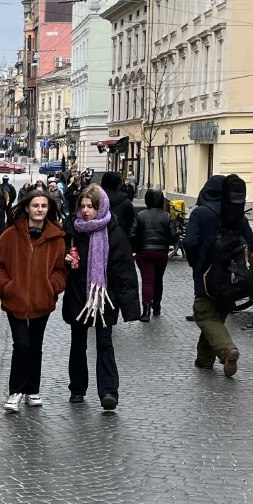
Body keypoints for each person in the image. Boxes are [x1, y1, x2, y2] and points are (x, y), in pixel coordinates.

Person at [0, 189, 69, 412]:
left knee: (35, 346)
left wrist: (52, 287)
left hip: (42, 301)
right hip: (15, 300)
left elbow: (61, 270)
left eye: (43, 206)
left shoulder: (56, 237)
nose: (39, 209)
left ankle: (33, 390)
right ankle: (16, 391)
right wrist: (6, 286)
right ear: (27, 208)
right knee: (21, 345)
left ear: (48, 209)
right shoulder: (11, 235)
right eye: (35, 205)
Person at [63, 185, 140, 409]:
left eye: (91, 206)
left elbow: (124, 270)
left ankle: (108, 391)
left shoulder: (114, 233)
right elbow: (56, 259)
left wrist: (130, 307)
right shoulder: (72, 230)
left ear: (101, 207)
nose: (86, 211)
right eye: (83, 206)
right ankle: (77, 388)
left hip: (104, 297)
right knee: (78, 343)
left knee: (105, 343)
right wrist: (65, 260)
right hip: (78, 294)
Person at [184, 174, 253, 377]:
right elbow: (251, 244)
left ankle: (227, 350)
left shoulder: (201, 213)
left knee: (204, 313)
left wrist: (196, 262)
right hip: (232, 276)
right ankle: (204, 360)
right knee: (216, 315)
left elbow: (189, 242)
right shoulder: (238, 216)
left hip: (206, 272)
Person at [130, 188, 178, 321]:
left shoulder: (140, 215)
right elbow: (173, 236)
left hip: (144, 251)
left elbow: (132, 235)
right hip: (161, 252)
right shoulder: (167, 216)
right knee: (158, 279)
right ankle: (157, 306)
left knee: (147, 280)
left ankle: (146, 310)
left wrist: (138, 245)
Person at [99, 171, 136, 237]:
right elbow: (131, 223)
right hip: (119, 237)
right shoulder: (126, 202)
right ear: (119, 185)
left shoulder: (95, 199)